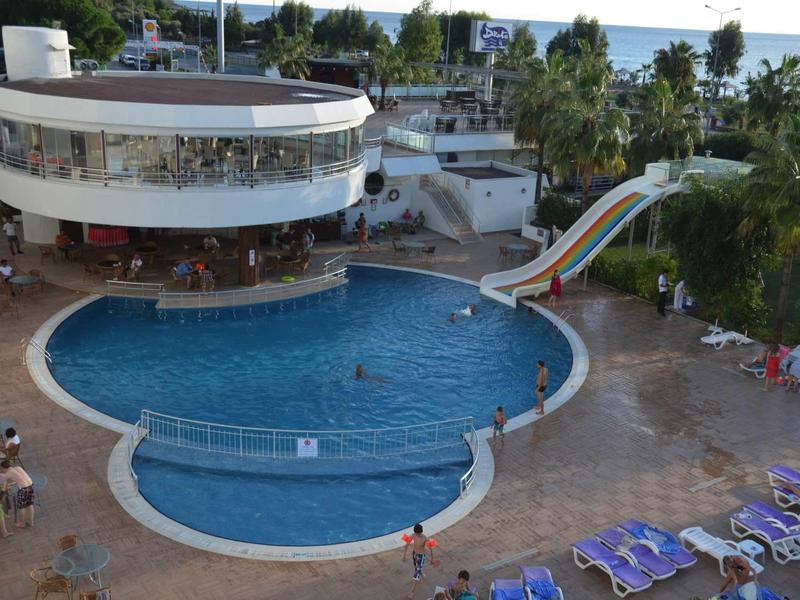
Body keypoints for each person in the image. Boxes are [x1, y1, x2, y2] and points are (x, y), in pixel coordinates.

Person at [402, 523, 434, 598]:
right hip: (415, 554)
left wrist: (432, 559)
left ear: (421, 532)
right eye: (416, 533)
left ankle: (412, 592)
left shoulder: (425, 538)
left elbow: (430, 549)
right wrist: (404, 555)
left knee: (416, 574)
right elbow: (406, 544)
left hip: (421, 556)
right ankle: (421, 571)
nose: (417, 535)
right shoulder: (413, 535)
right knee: (416, 567)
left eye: (418, 533)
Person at [0, 460, 34, 528]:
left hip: (23, 489)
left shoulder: (8, 474)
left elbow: (3, 482)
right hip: (30, 485)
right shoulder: (18, 468)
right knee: (29, 505)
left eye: (1, 468)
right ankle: (31, 522)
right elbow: (20, 479)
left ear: (4, 468)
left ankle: (21, 523)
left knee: (21, 507)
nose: (1, 470)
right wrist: (13, 484)